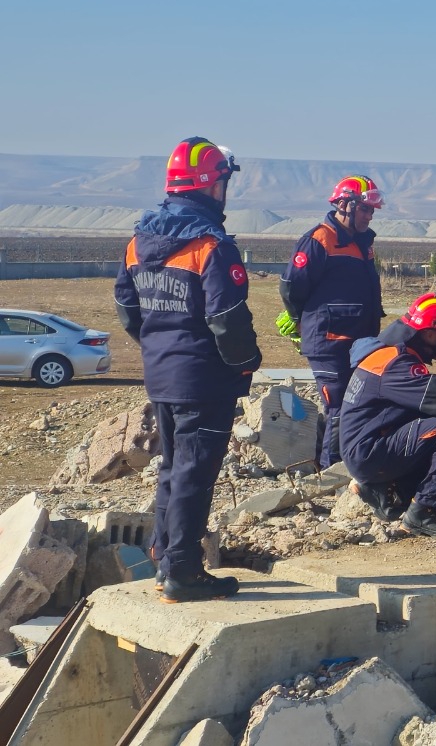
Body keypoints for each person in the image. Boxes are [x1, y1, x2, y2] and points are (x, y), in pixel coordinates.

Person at [113, 136, 260, 602]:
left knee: (173, 469)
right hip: (204, 381)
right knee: (195, 474)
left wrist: (159, 348)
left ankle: (165, 559)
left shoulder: (139, 242)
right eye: (222, 182)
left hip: (163, 377)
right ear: (211, 187)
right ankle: (182, 571)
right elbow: (226, 320)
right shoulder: (210, 246)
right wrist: (246, 365)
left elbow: (127, 310)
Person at [340, 293, 436, 537]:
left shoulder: (388, 354)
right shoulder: (395, 362)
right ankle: (422, 511)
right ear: (430, 333)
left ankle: (392, 495)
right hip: (369, 453)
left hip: (369, 449)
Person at [277, 175, 385, 469]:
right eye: (364, 209)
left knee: (357, 405)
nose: (369, 215)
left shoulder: (363, 244)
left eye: (372, 210)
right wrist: (301, 322)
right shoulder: (319, 240)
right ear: (343, 204)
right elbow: (291, 288)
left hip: (359, 340)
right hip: (328, 341)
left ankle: (351, 467)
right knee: (339, 407)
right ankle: (331, 473)